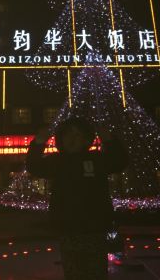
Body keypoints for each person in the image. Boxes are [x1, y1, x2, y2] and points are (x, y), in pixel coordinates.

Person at [26, 117, 128, 280]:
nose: (73, 139)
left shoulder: (96, 159)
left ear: (87, 139)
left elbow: (119, 161)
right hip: (68, 228)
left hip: (95, 228)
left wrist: (109, 139)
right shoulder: (57, 161)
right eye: (69, 135)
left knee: (96, 272)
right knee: (74, 271)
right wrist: (38, 143)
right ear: (61, 139)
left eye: (78, 135)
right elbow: (34, 166)